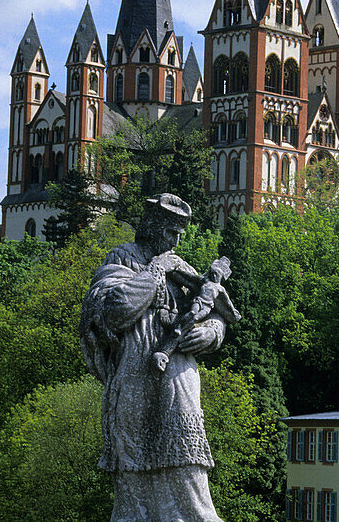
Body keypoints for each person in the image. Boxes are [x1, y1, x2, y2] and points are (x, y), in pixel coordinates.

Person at [80, 194, 234, 522]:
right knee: (132, 462)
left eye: (179, 234)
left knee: (187, 458)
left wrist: (210, 334)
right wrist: (157, 270)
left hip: (177, 377)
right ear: (153, 228)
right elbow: (116, 311)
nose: (176, 241)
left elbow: (215, 308)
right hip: (134, 377)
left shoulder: (181, 265)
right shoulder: (122, 260)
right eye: (170, 233)